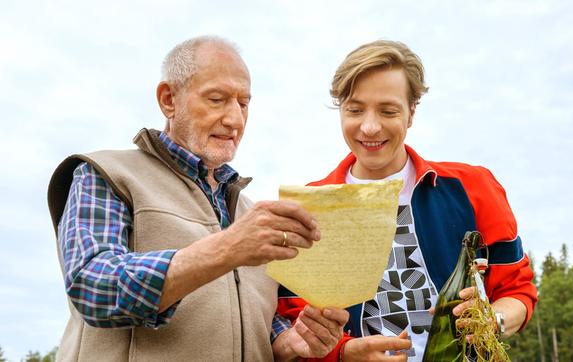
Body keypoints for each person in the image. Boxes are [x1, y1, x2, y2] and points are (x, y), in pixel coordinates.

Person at [47, 35, 349, 362]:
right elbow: (92, 285)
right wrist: (227, 248)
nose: (235, 119)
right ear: (168, 99)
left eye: (243, 103)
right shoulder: (106, 174)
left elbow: (258, 324)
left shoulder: (249, 215)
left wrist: (292, 342)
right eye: (217, 99)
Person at [277, 40, 538, 361]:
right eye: (355, 110)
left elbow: (517, 291)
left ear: (411, 111)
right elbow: (289, 319)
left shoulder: (475, 187)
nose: (370, 127)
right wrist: (344, 353)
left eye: (388, 111)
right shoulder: (308, 207)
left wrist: (492, 320)